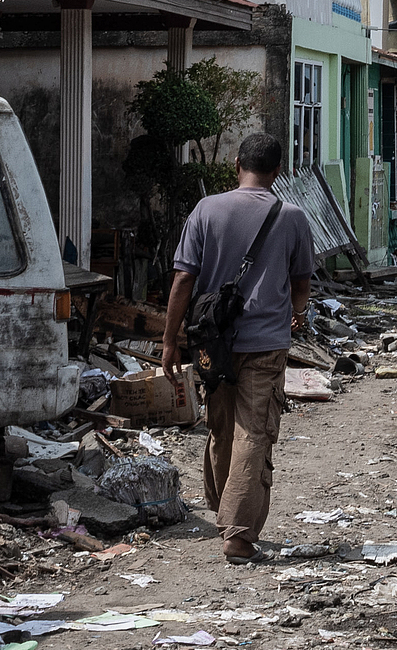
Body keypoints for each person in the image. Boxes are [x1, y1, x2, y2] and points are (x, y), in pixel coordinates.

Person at [162, 133, 315, 565]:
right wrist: (296, 312)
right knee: (255, 431)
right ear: (278, 171)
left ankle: (223, 509)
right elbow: (301, 284)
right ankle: (239, 534)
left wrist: (170, 340)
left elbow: (183, 280)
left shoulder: (206, 210)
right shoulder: (291, 217)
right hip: (265, 344)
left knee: (221, 424)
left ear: (236, 164)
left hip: (213, 341)